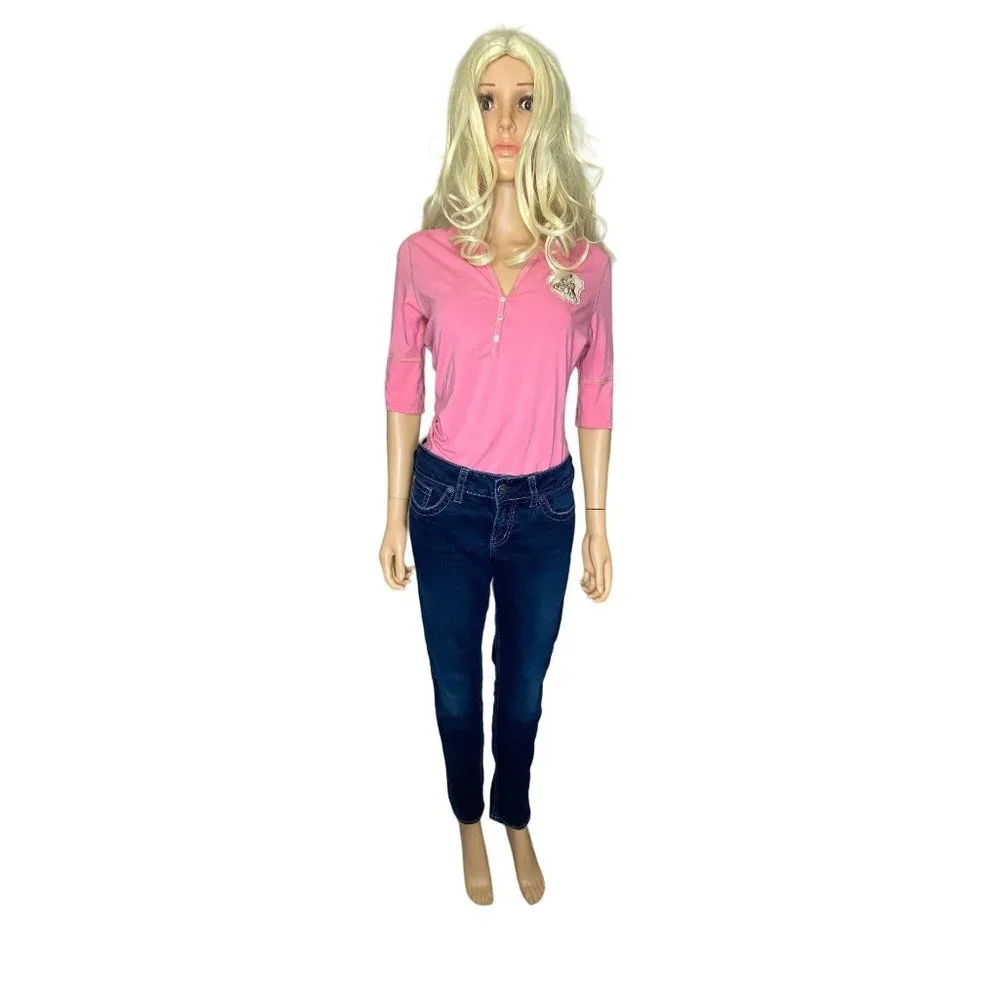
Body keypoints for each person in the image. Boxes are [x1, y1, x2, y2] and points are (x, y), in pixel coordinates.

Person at [378, 27, 615, 906]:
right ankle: (467, 819)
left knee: (522, 687)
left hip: (544, 509)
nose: (506, 123)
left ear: (546, 116)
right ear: (466, 116)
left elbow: (599, 389)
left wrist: (598, 523)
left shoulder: (586, 267)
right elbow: (402, 380)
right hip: (444, 501)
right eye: (488, 103)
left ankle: (514, 812)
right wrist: (392, 510)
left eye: (524, 102)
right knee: (454, 685)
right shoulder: (423, 257)